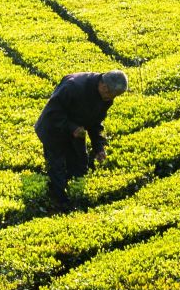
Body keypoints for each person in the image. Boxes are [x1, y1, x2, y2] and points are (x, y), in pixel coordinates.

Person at [35, 69, 126, 206]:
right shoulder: (73, 86)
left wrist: (98, 148)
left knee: (80, 165)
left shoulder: (106, 97)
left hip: (77, 131)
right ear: (104, 87)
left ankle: (78, 201)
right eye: (111, 95)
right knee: (57, 167)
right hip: (54, 130)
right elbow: (52, 113)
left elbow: (95, 123)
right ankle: (62, 205)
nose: (111, 100)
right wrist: (72, 128)